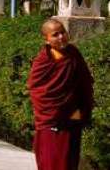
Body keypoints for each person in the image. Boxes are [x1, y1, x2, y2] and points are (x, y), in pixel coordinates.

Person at [27, 19, 94, 170]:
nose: (61, 37)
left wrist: (82, 109)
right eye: (55, 34)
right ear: (47, 39)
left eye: (63, 32)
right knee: (51, 162)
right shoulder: (43, 60)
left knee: (69, 162)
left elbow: (85, 83)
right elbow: (36, 90)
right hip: (51, 120)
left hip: (73, 118)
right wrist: (56, 111)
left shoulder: (73, 53)